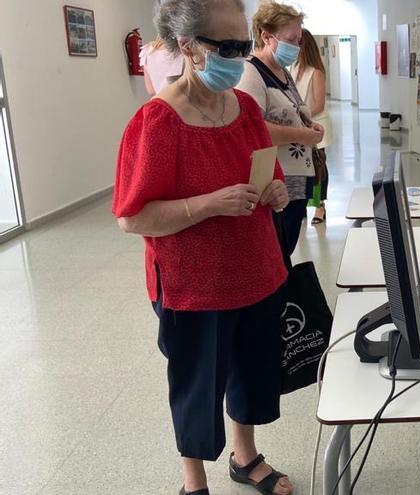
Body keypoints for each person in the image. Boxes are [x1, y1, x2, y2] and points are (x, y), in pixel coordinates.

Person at [113, 1, 294, 494]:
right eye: (229, 47)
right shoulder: (158, 123)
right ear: (189, 47)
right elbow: (132, 218)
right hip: (194, 288)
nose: (240, 58)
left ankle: (245, 456)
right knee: (197, 385)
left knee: (250, 374)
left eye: (245, 45)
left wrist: (276, 192)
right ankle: (193, 481)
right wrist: (207, 204)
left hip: (257, 273)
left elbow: (269, 175)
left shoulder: (247, 111)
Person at [236, 1, 323, 258]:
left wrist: (309, 124)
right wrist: (302, 135)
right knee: (276, 253)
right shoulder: (251, 73)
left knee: (286, 249)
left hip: (296, 178)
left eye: (299, 39)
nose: (297, 46)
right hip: (275, 182)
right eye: (291, 39)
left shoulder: (282, 72)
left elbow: (294, 113)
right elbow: (252, 127)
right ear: (266, 36)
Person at [294, 28, 333, 226]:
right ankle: (301, 205)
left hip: (317, 126)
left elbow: (318, 103)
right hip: (299, 126)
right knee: (301, 167)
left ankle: (320, 206)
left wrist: (302, 116)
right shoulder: (292, 68)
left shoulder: (316, 71)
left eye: (295, 42)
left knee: (319, 167)